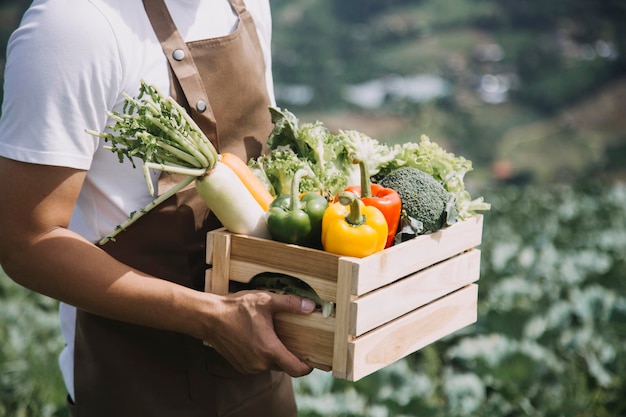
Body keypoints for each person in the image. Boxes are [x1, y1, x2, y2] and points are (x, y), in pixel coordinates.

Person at [0, 0, 316, 416]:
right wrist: (211, 318)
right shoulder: (71, 24)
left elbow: (262, 172)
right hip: (136, 387)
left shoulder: (248, 4)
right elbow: (25, 242)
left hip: (263, 380)